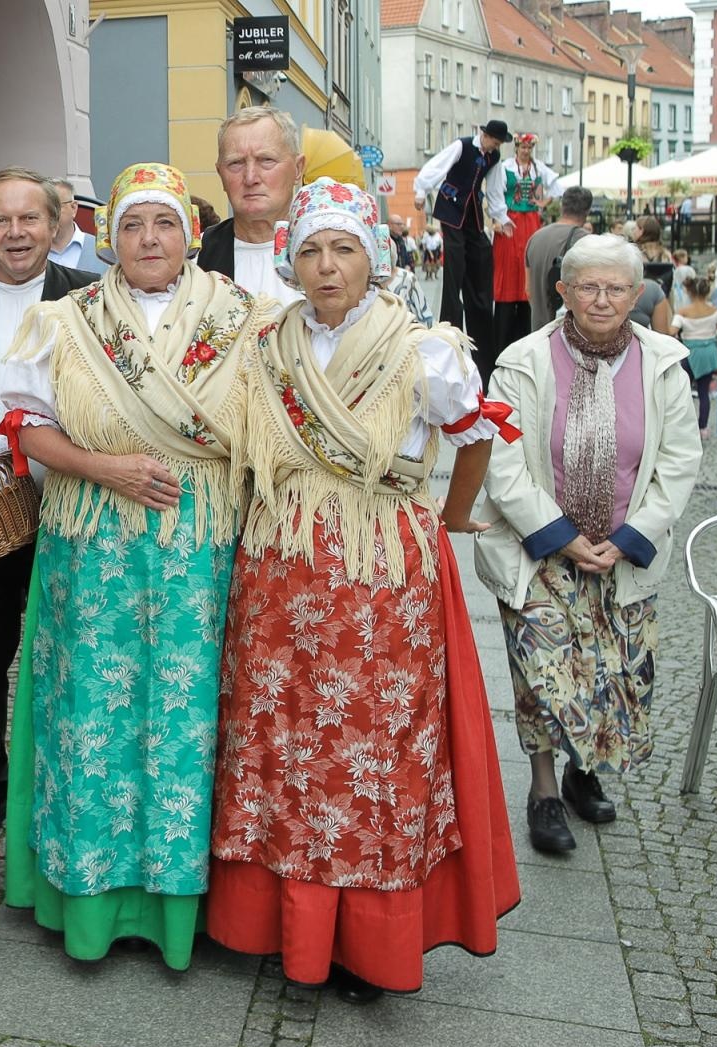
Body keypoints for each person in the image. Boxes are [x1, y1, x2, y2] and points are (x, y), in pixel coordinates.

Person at [207, 177, 519, 1002]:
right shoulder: (266, 345)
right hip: (280, 566)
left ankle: (364, 946)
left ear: (374, 257)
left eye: (343, 248)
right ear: (290, 262)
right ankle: (284, 924)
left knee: (372, 754)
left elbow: (474, 436)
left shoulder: (425, 349)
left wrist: (444, 519)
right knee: (282, 748)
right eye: (310, 250)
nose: (326, 265)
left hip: (381, 568)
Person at [0, 162, 278, 971]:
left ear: (189, 232)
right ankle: (88, 903)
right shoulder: (66, 320)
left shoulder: (247, 318)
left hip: (201, 548)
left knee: (189, 724)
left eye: (162, 224)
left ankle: (181, 910)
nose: (148, 240)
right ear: (103, 236)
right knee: (92, 718)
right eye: (131, 225)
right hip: (93, 544)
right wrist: (104, 468)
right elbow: (26, 427)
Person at [479, 234, 701, 854]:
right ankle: (544, 790)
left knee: (614, 673)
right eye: (588, 287)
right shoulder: (522, 362)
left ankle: (583, 773)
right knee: (543, 674)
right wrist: (567, 538)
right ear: (563, 292)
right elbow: (504, 464)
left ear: (637, 293)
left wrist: (629, 538)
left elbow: (680, 462)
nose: (602, 299)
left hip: (623, 556)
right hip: (539, 553)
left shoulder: (663, 363)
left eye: (615, 288)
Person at [0, 167, 96, 811]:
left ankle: (63, 775)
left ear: (56, 224)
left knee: (69, 646)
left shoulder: (91, 297)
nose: (15, 233)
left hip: (76, 501)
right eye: (0, 221)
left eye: (29, 218)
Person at [415, 118, 510, 377]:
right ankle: (450, 327)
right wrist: (421, 191)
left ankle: (480, 321)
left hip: (472, 215)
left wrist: (502, 218)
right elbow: (437, 166)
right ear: (485, 134)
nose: (495, 147)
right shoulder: (462, 146)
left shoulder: (494, 158)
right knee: (454, 264)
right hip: (451, 209)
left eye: (499, 144)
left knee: (481, 255)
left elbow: (493, 191)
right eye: (494, 141)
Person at [198, 105, 306, 305]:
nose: (250, 178)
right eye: (236, 163)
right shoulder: (195, 257)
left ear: (298, 169)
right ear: (220, 174)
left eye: (266, 160)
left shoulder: (327, 251)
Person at [485, 133, 563, 371]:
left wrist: (545, 202)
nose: (526, 151)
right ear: (516, 147)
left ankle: (525, 320)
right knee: (508, 268)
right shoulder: (505, 167)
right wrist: (498, 218)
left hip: (530, 222)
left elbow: (558, 186)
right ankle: (504, 331)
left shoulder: (539, 169)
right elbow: (495, 193)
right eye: (523, 147)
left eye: (529, 147)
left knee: (529, 263)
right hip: (511, 221)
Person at [525, 186, 593, 331]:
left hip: (539, 333)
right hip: (570, 335)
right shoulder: (587, 242)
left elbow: (528, 290)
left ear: (562, 206)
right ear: (587, 211)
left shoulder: (534, 238)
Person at [673, 274, 717, 437]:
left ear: (690, 292)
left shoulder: (683, 312)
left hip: (689, 353)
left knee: (684, 392)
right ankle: (703, 428)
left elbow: (671, 331)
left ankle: (683, 427)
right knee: (704, 392)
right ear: (707, 292)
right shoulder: (715, 311)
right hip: (708, 353)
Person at [47, 178, 104, 276]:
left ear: (73, 208)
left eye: (55, 206)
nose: (48, 213)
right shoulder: (31, 251)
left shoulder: (101, 250)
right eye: (44, 208)